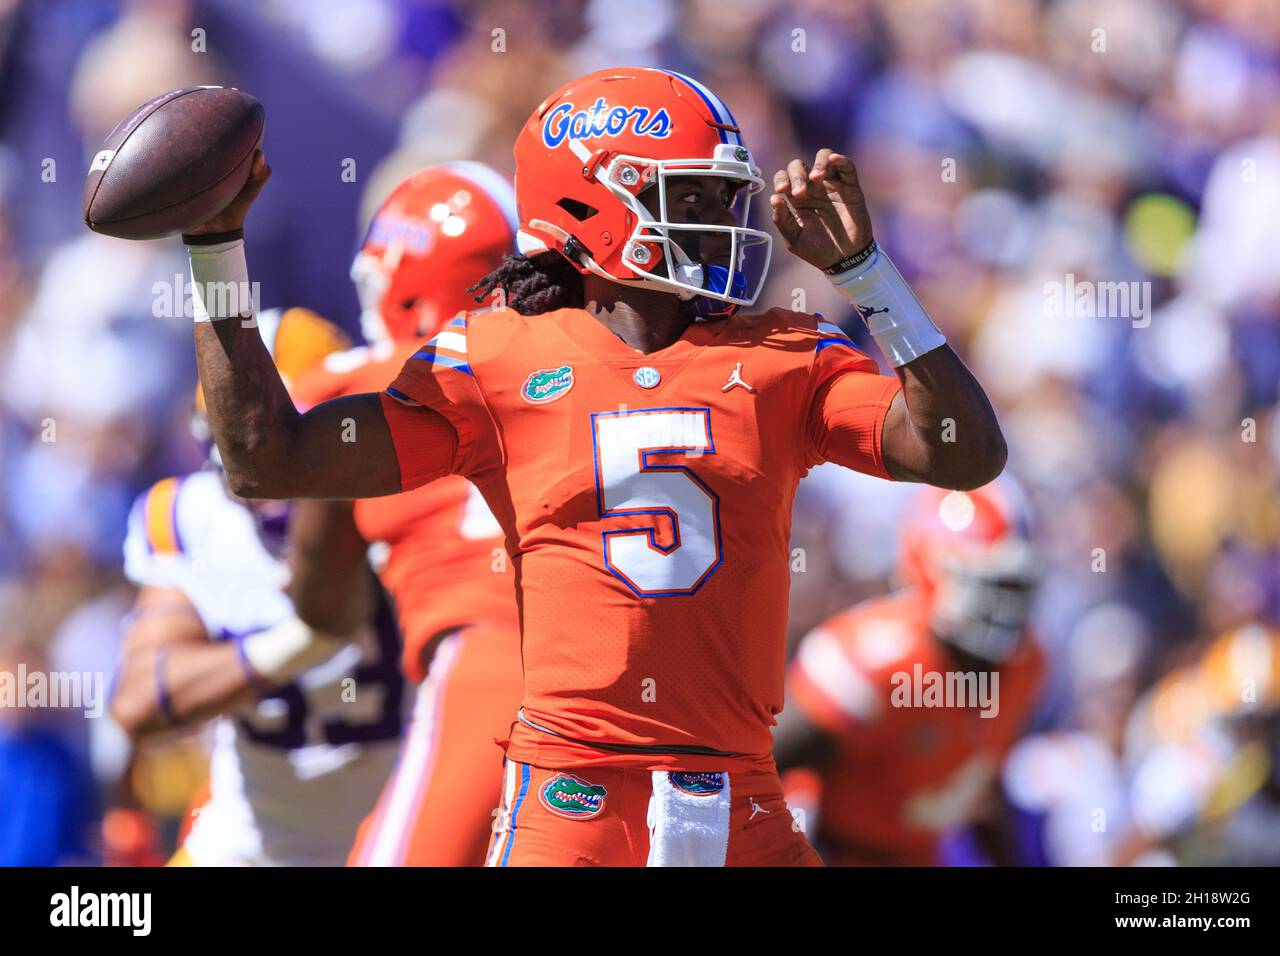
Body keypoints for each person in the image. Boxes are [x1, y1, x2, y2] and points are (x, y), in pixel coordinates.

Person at [173, 66, 1006, 866]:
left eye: (723, 191)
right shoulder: (494, 358)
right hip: (576, 801)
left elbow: (962, 452)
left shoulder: (785, 356)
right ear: (593, 201)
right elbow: (266, 456)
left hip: (744, 799)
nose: (724, 213)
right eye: (693, 193)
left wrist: (868, 275)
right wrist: (215, 245)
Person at [289, 162, 523, 866]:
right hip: (614, 660)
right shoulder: (557, 361)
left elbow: (256, 455)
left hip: (487, 659)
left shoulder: (359, 384)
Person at [111, 308, 405, 866]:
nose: (265, 466)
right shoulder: (189, 517)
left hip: (400, 840)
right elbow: (138, 700)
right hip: (247, 847)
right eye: (240, 440)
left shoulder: (400, 505)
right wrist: (300, 641)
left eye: (290, 438)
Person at [775, 482, 1044, 865]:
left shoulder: (1026, 664)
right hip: (824, 847)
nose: (1002, 608)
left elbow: (981, 784)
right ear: (928, 568)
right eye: (988, 585)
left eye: (1012, 586)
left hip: (917, 853)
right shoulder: (878, 659)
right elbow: (766, 760)